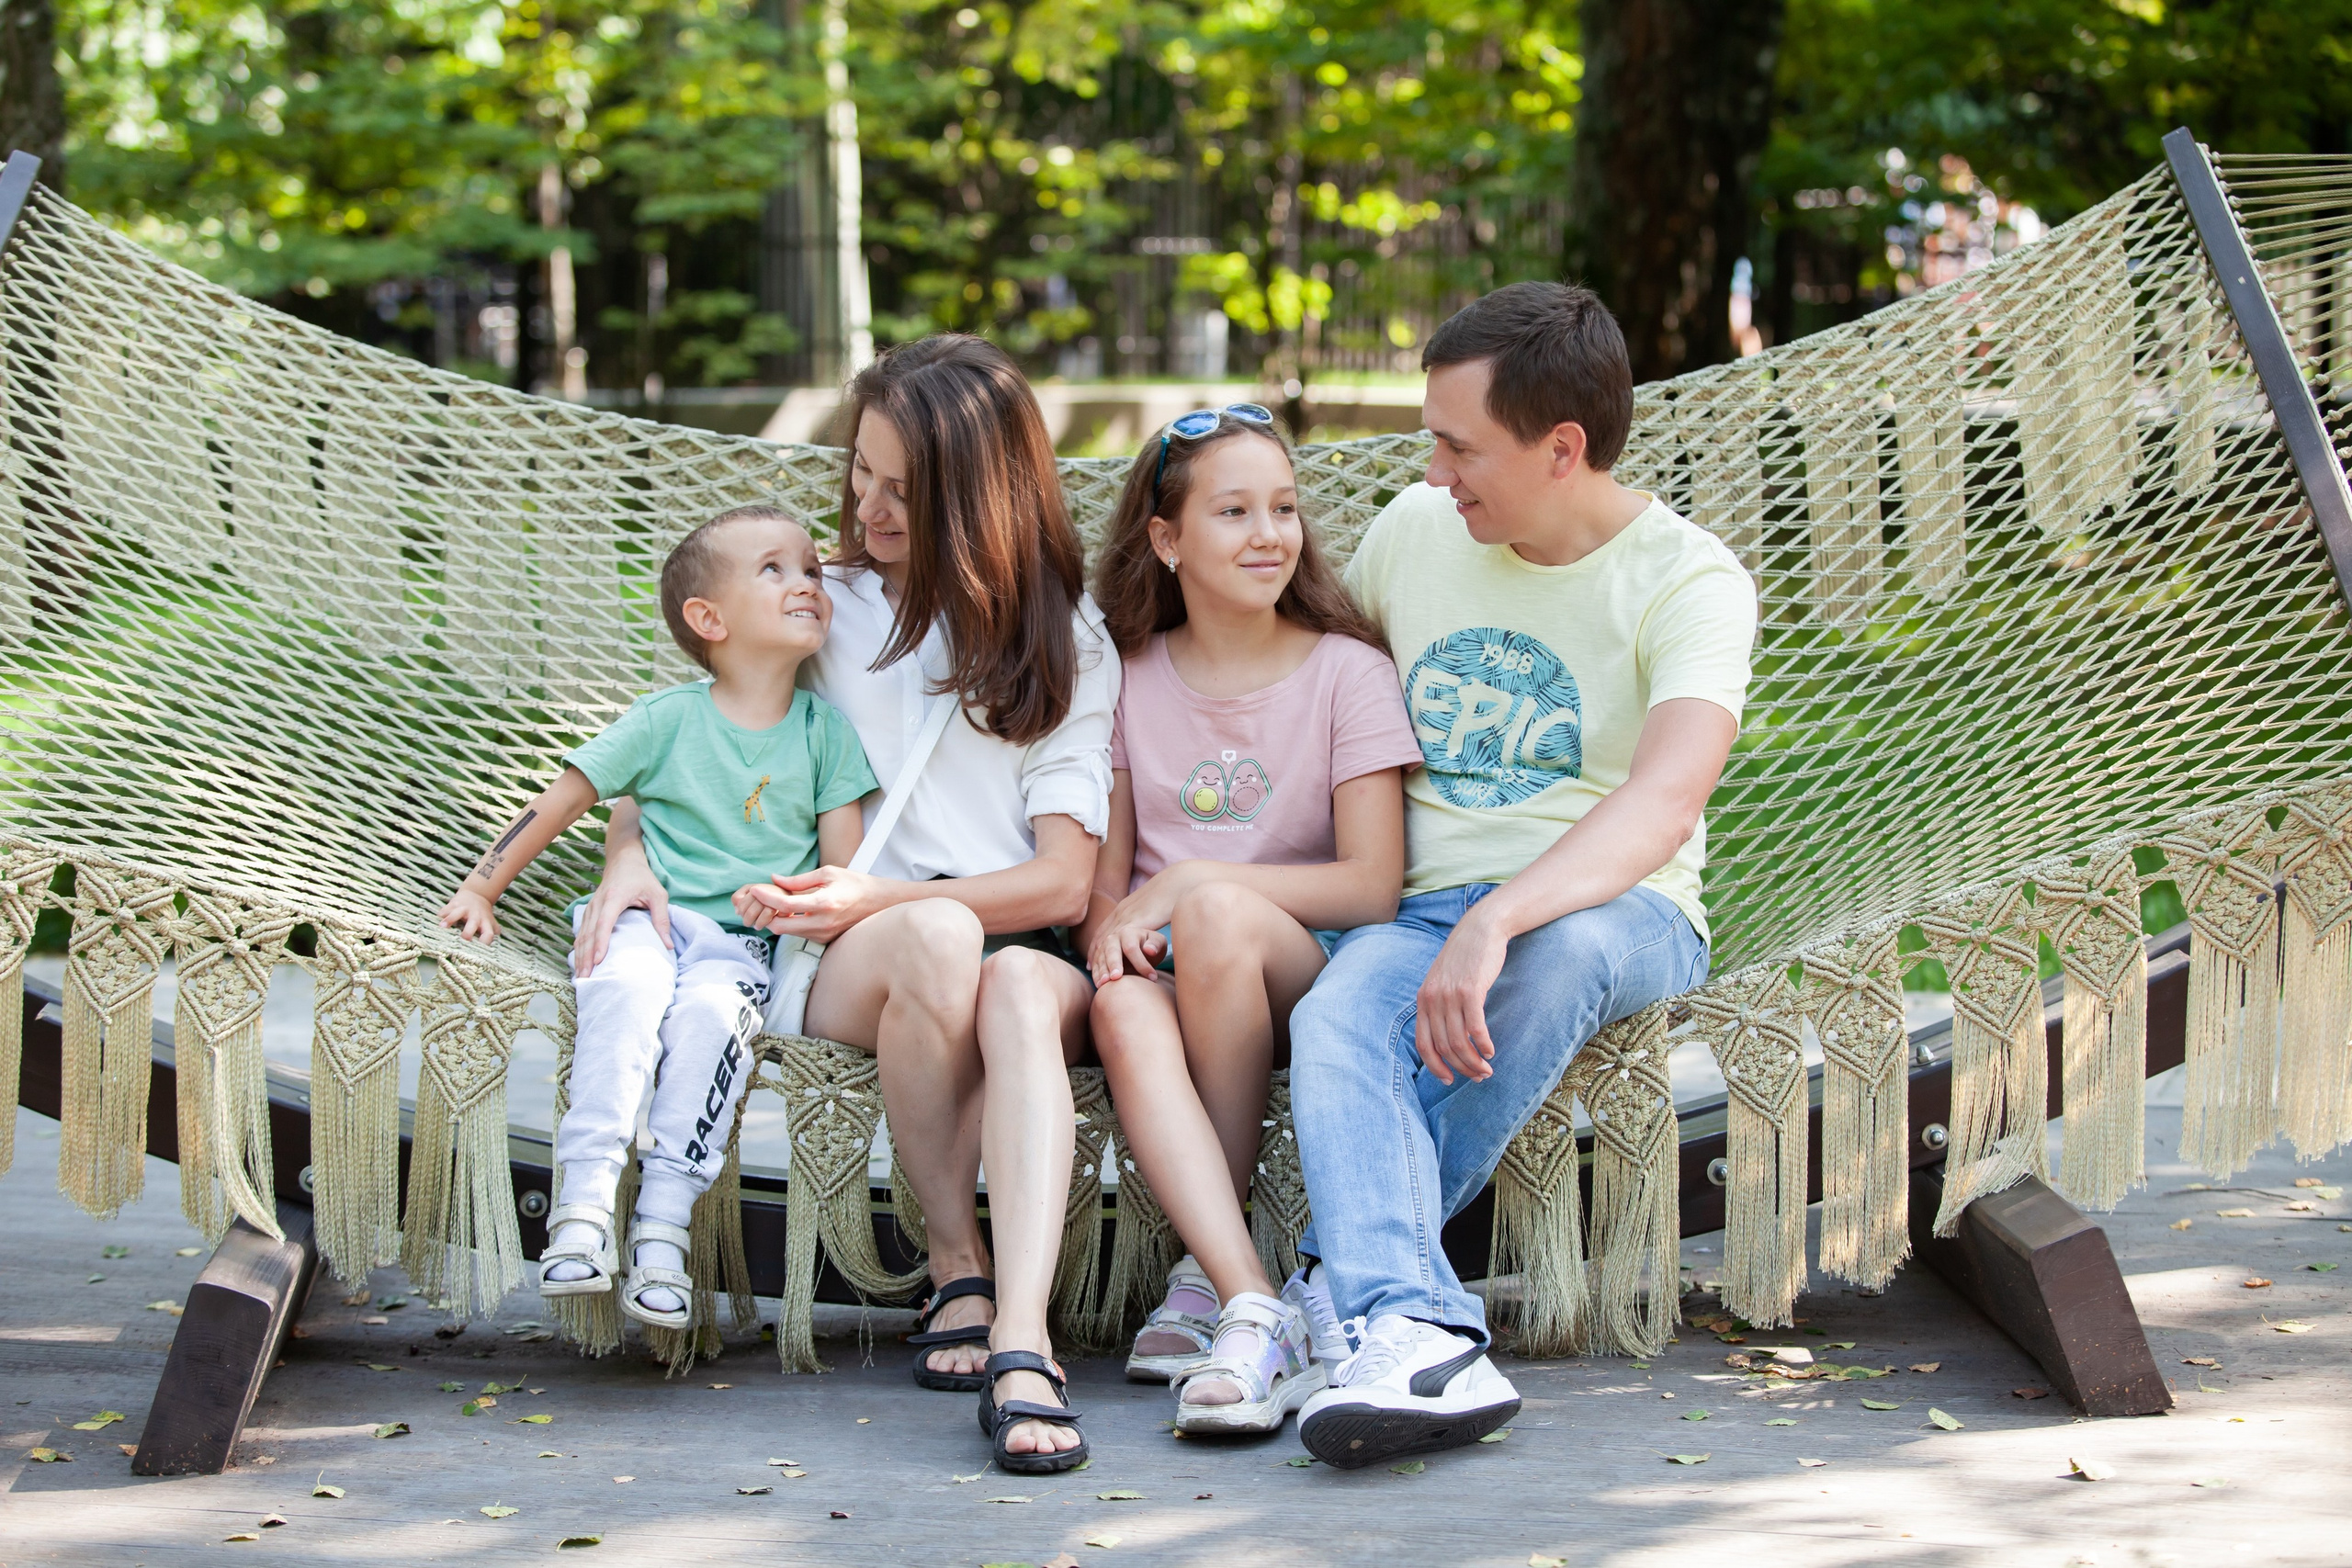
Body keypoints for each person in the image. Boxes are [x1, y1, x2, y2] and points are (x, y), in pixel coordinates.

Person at [579, 335, 1117, 1475]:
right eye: (861, 472)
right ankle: (955, 1262)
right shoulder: (828, 605)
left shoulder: (1066, 638)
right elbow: (688, 737)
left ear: (981, 497)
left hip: (1010, 942)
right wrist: (627, 850)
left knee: (998, 966)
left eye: (903, 492)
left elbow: (1065, 882)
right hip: (850, 959)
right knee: (935, 932)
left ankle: (1020, 1335)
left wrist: (887, 890)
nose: (868, 510)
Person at [1286, 283, 1757, 1468]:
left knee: (1556, 958)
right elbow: (1327, 708)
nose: (1434, 473)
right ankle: (1413, 1325)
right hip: (1414, 907)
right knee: (1338, 1015)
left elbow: (1664, 801)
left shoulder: (1689, 581)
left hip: (1618, 909)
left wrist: (1497, 917)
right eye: (1432, 442)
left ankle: (1332, 1280)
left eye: (1461, 448)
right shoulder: (1414, 530)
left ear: (1561, 449)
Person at [438, 506, 877, 1328]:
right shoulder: (666, 718)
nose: (807, 584)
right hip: (651, 918)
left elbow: (841, 878)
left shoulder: (826, 734)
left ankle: (662, 1230)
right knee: (625, 991)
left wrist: (791, 905)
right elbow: (558, 802)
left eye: (812, 570)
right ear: (708, 618)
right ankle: (582, 1206)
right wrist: (480, 887)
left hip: (744, 948)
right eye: (775, 569)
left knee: (713, 1023)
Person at [1080, 404, 1421, 1435]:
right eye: (1233, 512)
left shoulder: (1346, 671)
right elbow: (1105, 884)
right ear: (1166, 539)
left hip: (1295, 968)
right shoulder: (1125, 676)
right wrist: (1120, 935)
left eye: (1283, 508)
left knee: (1220, 914)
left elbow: (1372, 886)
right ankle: (1241, 1290)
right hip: (1166, 971)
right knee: (1120, 1008)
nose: (1270, 534)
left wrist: (1193, 885)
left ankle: (1198, 1264)